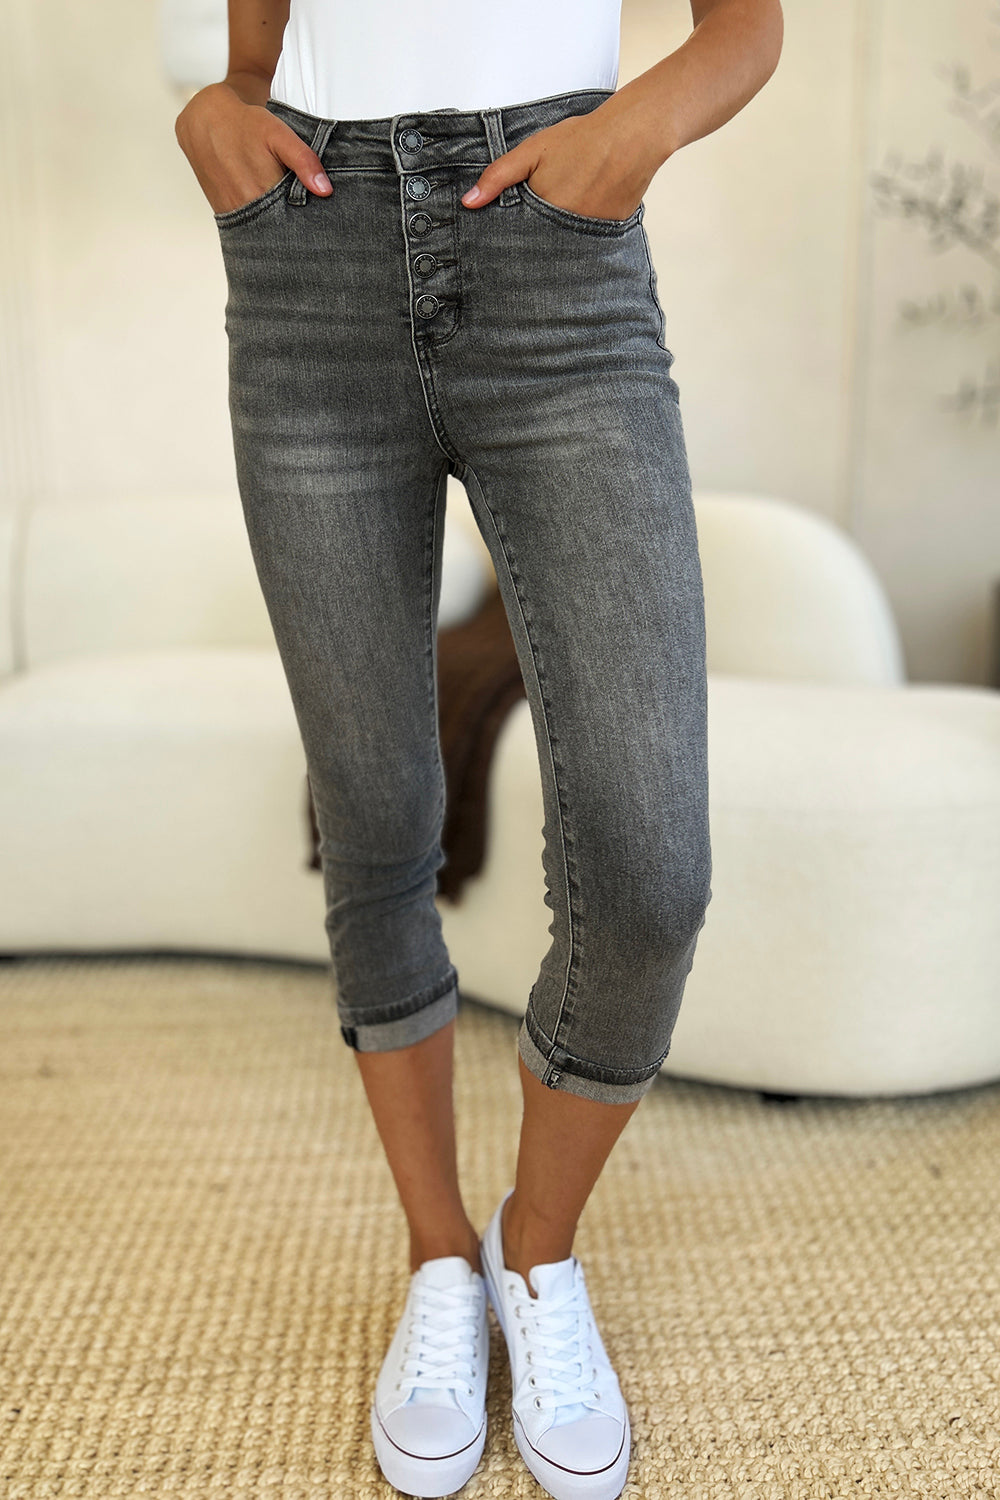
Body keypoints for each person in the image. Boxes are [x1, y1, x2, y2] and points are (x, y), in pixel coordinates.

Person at [175, 1, 782, 1494]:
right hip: (308, 263)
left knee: (649, 866)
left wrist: (620, 141)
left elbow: (745, 29)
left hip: (557, 275)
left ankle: (538, 1249)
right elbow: (264, 51)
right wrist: (219, 112)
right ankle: (440, 1258)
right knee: (377, 808)